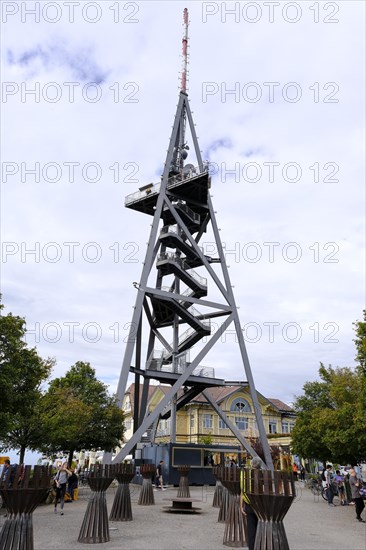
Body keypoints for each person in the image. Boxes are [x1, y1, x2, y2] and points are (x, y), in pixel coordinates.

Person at [240, 457, 263, 550]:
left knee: (251, 529)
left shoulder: (244, 474)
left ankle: (252, 548)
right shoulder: (263, 474)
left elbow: (242, 490)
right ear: (260, 465)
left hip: (249, 504)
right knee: (261, 527)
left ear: (251, 464)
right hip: (261, 505)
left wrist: (241, 506)